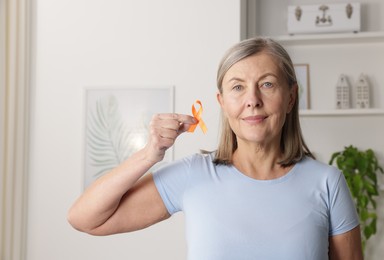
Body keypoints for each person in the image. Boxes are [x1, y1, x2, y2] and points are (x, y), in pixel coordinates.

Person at [68, 37, 363, 260]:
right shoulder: (193, 175)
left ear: (290, 97)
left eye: (268, 84)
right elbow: (84, 218)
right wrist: (150, 154)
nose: (253, 100)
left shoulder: (327, 183)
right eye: (237, 87)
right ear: (222, 103)